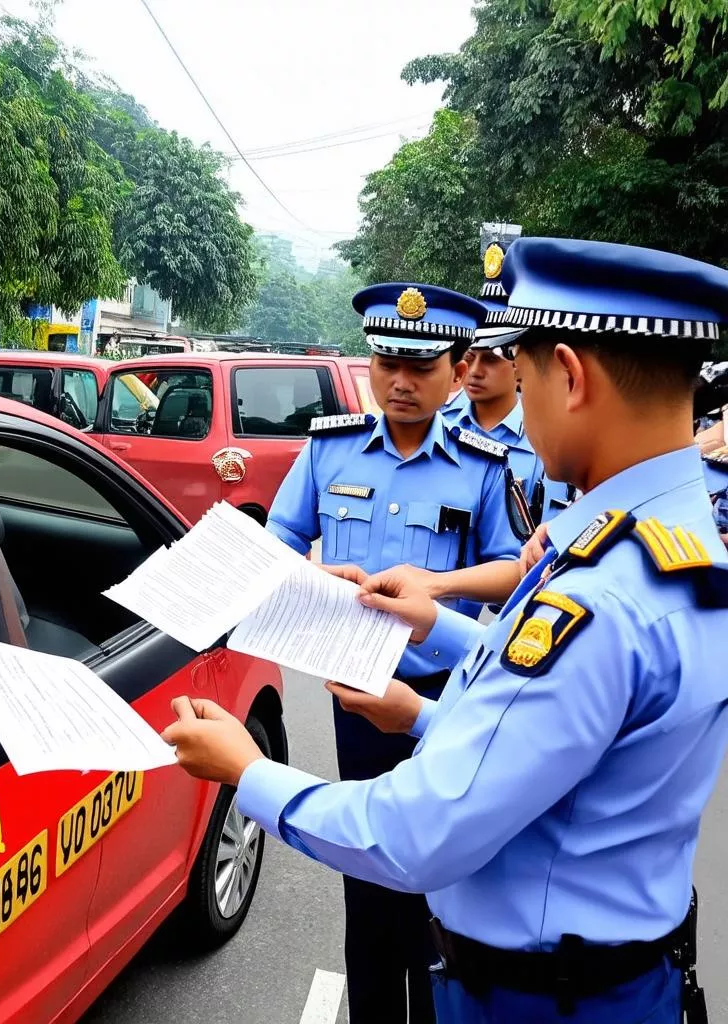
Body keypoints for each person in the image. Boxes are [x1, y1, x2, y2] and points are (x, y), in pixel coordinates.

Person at [164, 236, 728, 1024]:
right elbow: (561, 746)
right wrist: (421, 700)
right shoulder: (675, 541)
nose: (515, 414)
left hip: (542, 1001)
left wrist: (246, 772)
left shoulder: (607, 593)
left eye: (521, 379)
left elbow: (420, 833)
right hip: (604, 980)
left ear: (568, 375)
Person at [263, 282, 523, 1024]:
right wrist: (316, 574)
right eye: (386, 363)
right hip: (355, 698)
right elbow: (278, 543)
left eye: (420, 366)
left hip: (445, 697)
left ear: (456, 368)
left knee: (440, 881)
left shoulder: (481, 462)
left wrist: (437, 584)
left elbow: (511, 567)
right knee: (368, 878)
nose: (400, 382)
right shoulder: (330, 446)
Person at [446, 226, 576, 528]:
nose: (475, 371)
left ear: (518, 362)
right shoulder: (441, 425)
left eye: (491, 359)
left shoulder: (546, 435)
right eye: (470, 358)